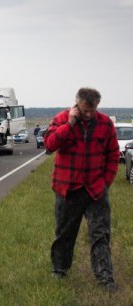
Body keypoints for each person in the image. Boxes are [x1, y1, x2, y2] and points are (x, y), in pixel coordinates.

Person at [44, 87, 119, 291]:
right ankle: (59, 270)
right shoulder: (61, 119)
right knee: (65, 233)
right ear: (76, 104)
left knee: (100, 234)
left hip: (95, 190)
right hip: (67, 188)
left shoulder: (105, 124)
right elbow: (49, 145)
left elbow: (113, 155)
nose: (88, 115)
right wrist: (69, 124)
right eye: (85, 110)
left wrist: (106, 182)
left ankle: (105, 278)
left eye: (92, 110)